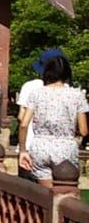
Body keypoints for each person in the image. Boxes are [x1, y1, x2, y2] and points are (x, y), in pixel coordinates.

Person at [18, 52, 87, 183]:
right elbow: (84, 130)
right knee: (65, 193)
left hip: (40, 146)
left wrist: (22, 151)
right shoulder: (77, 95)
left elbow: (23, 124)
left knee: (46, 197)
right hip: (66, 146)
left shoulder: (36, 93)